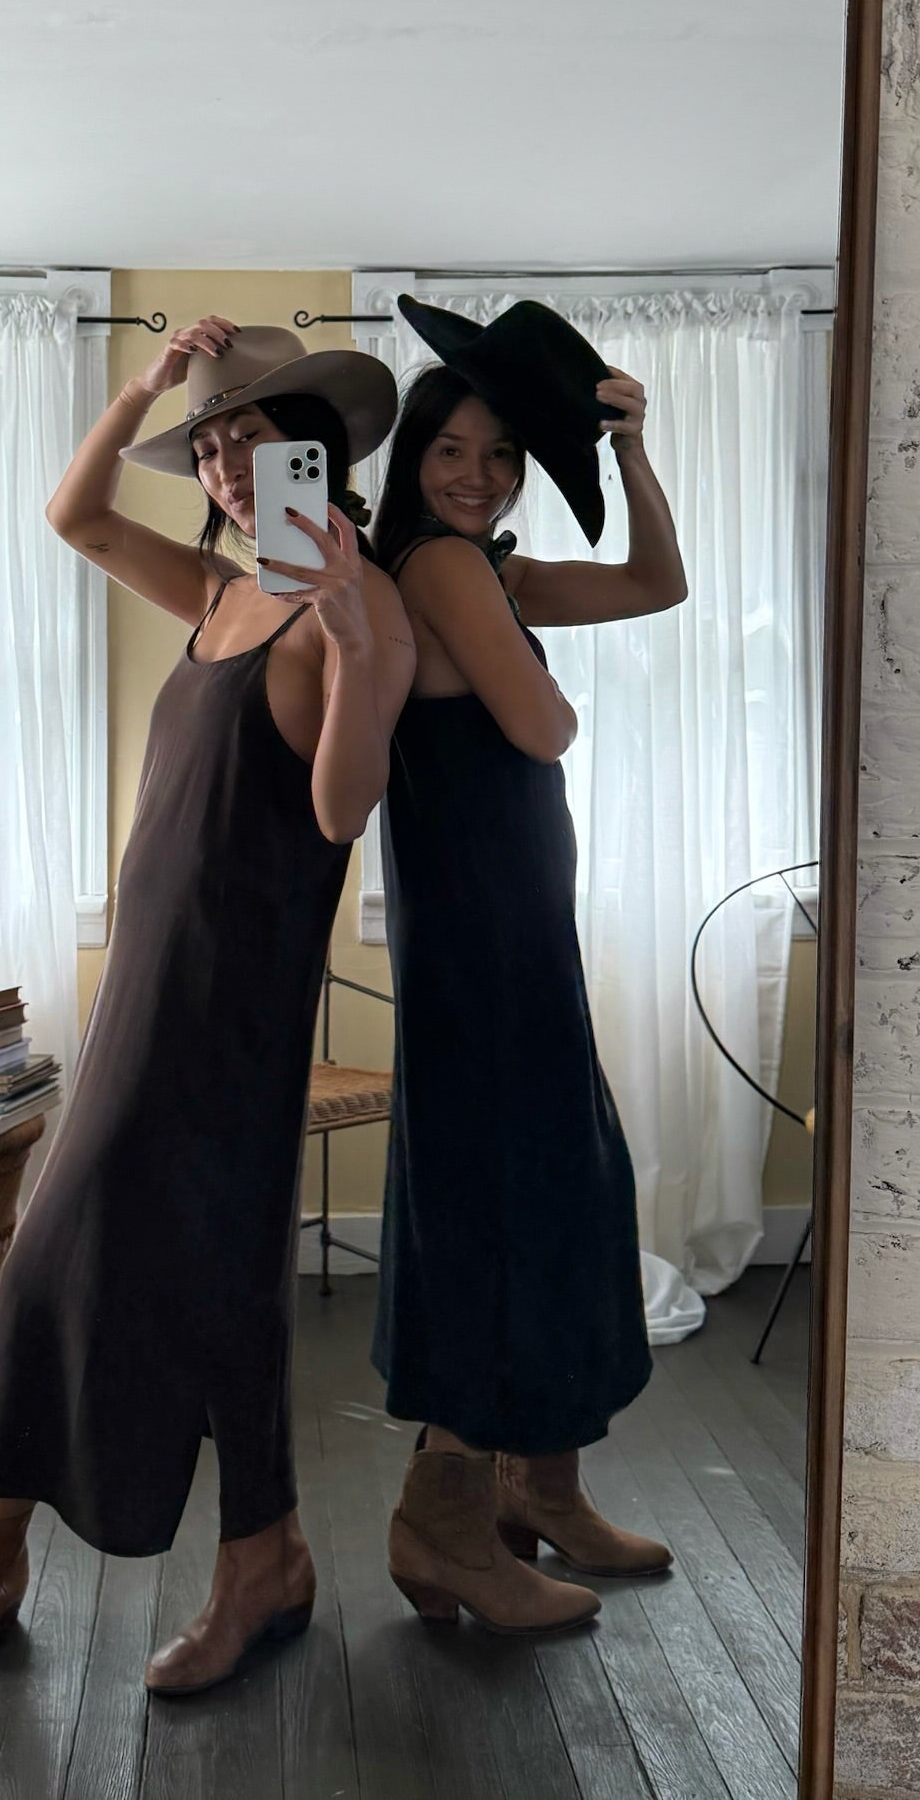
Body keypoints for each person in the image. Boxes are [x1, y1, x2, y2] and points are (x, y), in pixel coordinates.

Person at [0, 318, 415, 1696]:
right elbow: (74, 514)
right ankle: (233, 1555)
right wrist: (144, 385)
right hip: (153, 977)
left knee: (105, 1258)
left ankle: (15, 1551)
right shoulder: (218, 590)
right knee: (136, 1264)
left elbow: (342, 807)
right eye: (206, 448)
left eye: (247, 438)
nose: (222, 468)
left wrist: (351, 638)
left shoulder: (359, 603)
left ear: (309, 448)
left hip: (233, 999)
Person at [370, 296, 687, 1634]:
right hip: (481, 940)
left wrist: (630, 452)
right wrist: (525, 655)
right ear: (413, 456)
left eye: (502, 455)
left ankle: (538, 1488)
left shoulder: (484, 570)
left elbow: (659, 583)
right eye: (452, 449)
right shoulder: (443, 567)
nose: (478, 475)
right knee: (507, 1199)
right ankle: (443, 1522)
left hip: (508, 926)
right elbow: (545, 727)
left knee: (561, 1185)